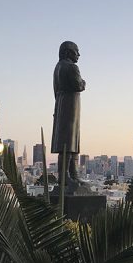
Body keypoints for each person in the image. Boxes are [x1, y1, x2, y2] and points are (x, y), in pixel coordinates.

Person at [51, 41, 85, 186]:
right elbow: (79, 85)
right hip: (70, 107)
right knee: (69, 141)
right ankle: (66, 176)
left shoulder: (57, 68)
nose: (78, 55)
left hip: (61, 104)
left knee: (69, 141)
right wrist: (84, 82)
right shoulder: (71, 67)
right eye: (76, 51)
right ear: (67, 52)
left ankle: (72, 174)